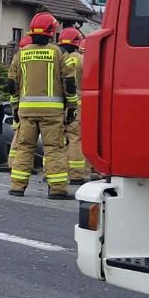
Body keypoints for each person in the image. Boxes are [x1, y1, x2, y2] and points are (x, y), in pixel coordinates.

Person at [7, 12, 77, 199]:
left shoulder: (21, 53)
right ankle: (57, 189)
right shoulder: (58, 53)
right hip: (52, 113)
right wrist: (72, 106)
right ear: (52, 31)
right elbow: (69, 82)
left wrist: (15, 107)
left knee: (24, 148)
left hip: (26, 111)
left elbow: (12, 83)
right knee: (54, 149)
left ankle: (17, 186)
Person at [58, 27, 89, 184]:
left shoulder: (58, 58)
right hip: (78, 104)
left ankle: (54, 171)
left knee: (58, 139)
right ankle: (76, 175)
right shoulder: (82, 60)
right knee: (75, 138)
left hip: (58, 105)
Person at [7, 34, 33, 170]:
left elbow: (12, 84)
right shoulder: (29, 60)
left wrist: (15, 106)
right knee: (23, 140)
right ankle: (15, 164)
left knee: (20, 137)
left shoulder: (19, 59)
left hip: (21, 105)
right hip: (27, 106)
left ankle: (13, 163)